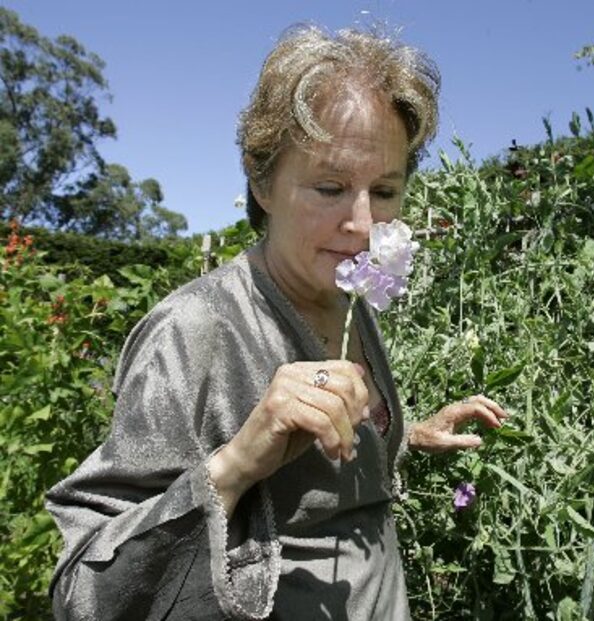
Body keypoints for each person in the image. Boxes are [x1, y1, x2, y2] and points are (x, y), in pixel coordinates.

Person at [46, 24, 508, 620]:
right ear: (262, 180)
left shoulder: (348, 296)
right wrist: (238, 463)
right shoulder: (196, 332)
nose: (365, 224)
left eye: (386, 189)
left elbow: (324, 471)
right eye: (330, 186)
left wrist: (406, 433)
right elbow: (84, 590)